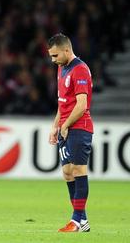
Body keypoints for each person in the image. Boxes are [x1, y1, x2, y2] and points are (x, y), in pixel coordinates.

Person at [47, 33, 93, 232]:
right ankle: (82, 220)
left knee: (78, 170)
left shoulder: (80, 69)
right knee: (67, 172)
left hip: (79, 126)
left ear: (67, 50)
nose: (53, 60)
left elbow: (81, 105)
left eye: (55, 55)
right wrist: (55, 125)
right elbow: (63, 103)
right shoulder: (61, 68)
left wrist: (65, 126)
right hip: (65, 127)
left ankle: (76, 220)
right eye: (51, 56)